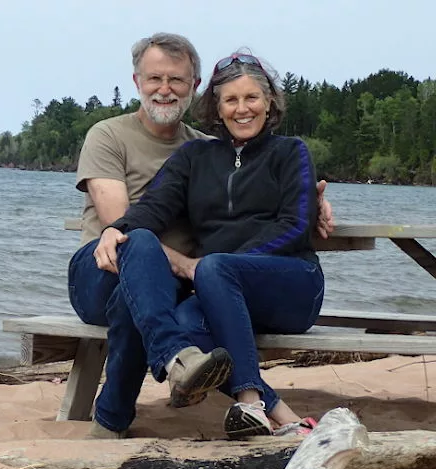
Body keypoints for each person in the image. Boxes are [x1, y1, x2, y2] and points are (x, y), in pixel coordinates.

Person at [68, 33, 333, 439]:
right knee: (141, 252)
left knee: (151, 301)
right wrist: (115, 230)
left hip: (216, 279)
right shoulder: (144, 144)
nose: (165, 88)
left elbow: (292, 220)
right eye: (231, 100)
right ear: (137, 81)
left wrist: (316, 204)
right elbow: (145, 211)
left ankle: (112, 421)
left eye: (176, 79)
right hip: (108, 266)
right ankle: (191, 366)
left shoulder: (267, 149)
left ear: (193, 88)